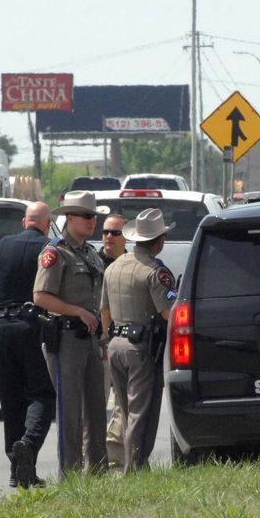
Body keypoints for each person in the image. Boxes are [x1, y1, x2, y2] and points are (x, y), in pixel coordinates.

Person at [0, 201, 55, 489]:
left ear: (24, 221)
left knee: (11, 400)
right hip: (32, 329)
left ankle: (17, 471)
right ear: (47, 223)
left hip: (1, 329)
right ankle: (28, 445)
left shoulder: (1, 246)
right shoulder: (50, 248)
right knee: (42, 395)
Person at [33, 191, 110, 475]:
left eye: (94, 216)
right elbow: (40, 296)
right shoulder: (56, 252)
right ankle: (72, 475)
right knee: (70, 411)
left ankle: (98, 471)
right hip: (66, 338)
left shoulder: (90, 253)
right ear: (70, 218)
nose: (93, 221)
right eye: (88, 216)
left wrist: (102, 333)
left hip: (90, 338)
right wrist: (76, 311)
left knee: (96, 407)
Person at [100, 208, 177, 472]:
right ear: (159, 241)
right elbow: (169, 313)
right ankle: (135, 470)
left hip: (116, 346)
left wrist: (108, 339)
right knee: (140, 415)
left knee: (124, 409)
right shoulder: (156, 271)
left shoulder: (114, 267)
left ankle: (129, 466)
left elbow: (104, 311)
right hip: (141, 348)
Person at [97, 212, 129, 470]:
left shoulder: (133, 264)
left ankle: (116, 455)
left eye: (115, 232)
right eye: (105, 232)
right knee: (95, 401)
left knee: (121, 400)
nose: (108, 237)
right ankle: (94, 456)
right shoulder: (92, 262)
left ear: (126, 236)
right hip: (95, 341)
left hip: (122, 342)